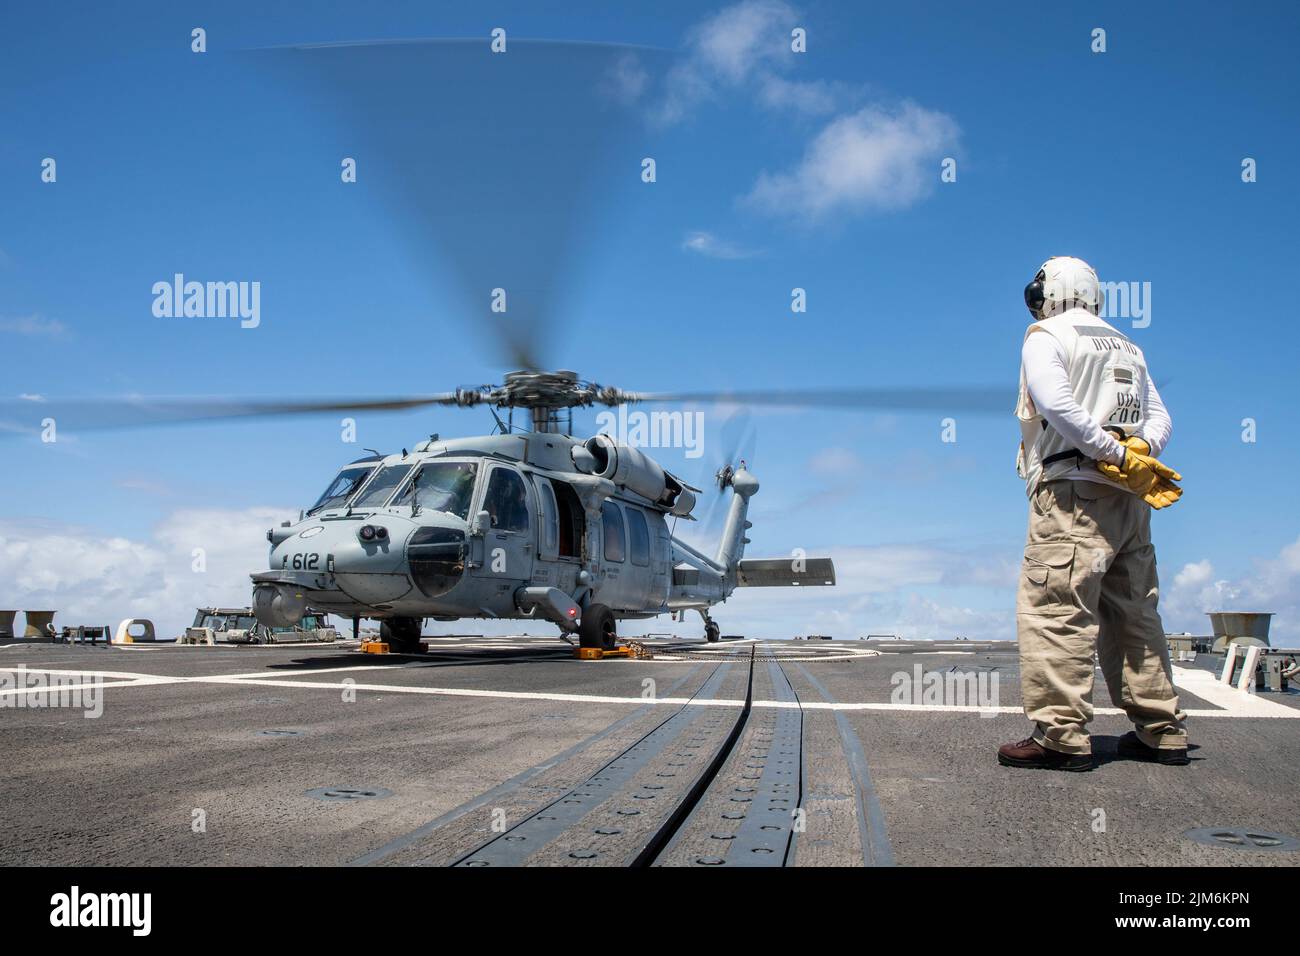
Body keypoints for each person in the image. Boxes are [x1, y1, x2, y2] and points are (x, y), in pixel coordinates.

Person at [998, 256, 1189, 772]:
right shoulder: (1127, 345)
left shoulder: (1046, 335)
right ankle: (1160, 730)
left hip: (1071, 497)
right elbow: (1160, 417)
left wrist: (1106, 449)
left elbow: (1056, 402)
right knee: (1135, 613)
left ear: (1052, 291)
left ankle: (1060, 737)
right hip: (1130, 498)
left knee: (1057, 611)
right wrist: (1136, 452)